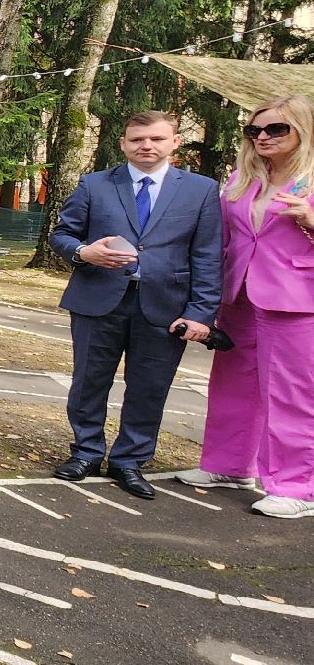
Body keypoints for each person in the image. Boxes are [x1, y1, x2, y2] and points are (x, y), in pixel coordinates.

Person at [46, 110, 223, 500]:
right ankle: (87, 451)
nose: (147, 146)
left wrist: (200, 314)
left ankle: (129, 460)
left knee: (149, 387)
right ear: (123, 143)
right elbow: (62, 234)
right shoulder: (94, 184)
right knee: (89, 382)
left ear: (174, 142)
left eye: (156, 139)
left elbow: (208, 256)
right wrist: (82, 252)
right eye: (137, 139)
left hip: (166, 306)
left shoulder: (201, 190)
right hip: (98, 300)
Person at [184, 95, 314, 518]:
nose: (263, 137)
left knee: (291, 395)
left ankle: (296, 487)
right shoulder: (243, 177)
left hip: (296, 298)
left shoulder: (311, 180)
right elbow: (225, 237)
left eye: (276, 129)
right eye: (254, 130)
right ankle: (228, 466)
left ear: (303, 130)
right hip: (238, 293)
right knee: (232, 383)